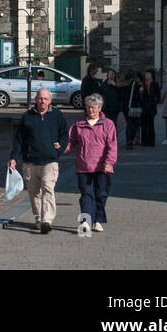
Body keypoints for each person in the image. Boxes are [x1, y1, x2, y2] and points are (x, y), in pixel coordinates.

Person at [9, 87, 68, 234]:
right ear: (36, 100)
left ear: (50, 100)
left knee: (48, 188)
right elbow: (18, 140)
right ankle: (39, 219)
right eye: (40, 98)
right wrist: (14, 158)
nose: (43, 101)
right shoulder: (27, 117)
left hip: (50, 160)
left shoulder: (57, 115)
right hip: (30, 161)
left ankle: (47, 220)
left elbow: (65, 136)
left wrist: (59, 149)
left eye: (46, 99)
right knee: (34, 192)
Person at [63, 92, 118, 233]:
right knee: (86, 194)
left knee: (101, 194)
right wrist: (59, 148)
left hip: (102, 167)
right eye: (88, 107)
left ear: (100, 108)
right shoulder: (78, 125)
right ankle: (86, 221)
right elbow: (70, 142)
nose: (91, 110)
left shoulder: (108, 124)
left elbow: (112, 146)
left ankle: (98, 220)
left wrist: (109, 162)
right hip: (84, 166)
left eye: (94, 107)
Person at [121, 70, 146, 150]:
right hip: (133, 107)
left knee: (130, 124)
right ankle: (129, 141)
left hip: (126, 107)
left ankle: (129, 141)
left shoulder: (123, 84)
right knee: (134, 125)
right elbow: (139, 97)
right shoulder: (136, 85)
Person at [141, 70, 160, 147]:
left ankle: (151, 142)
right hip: (144, 106)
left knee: (151, 124)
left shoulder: (155, 84)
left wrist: (155, 102)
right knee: (144, 125)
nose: (147, 75)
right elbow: (140, 96)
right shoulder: (142, 84)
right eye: (146, 74)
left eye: (149, 74)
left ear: (152, 75)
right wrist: (141, 92)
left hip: (151, 107)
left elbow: (158, 95)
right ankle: (144, 142)